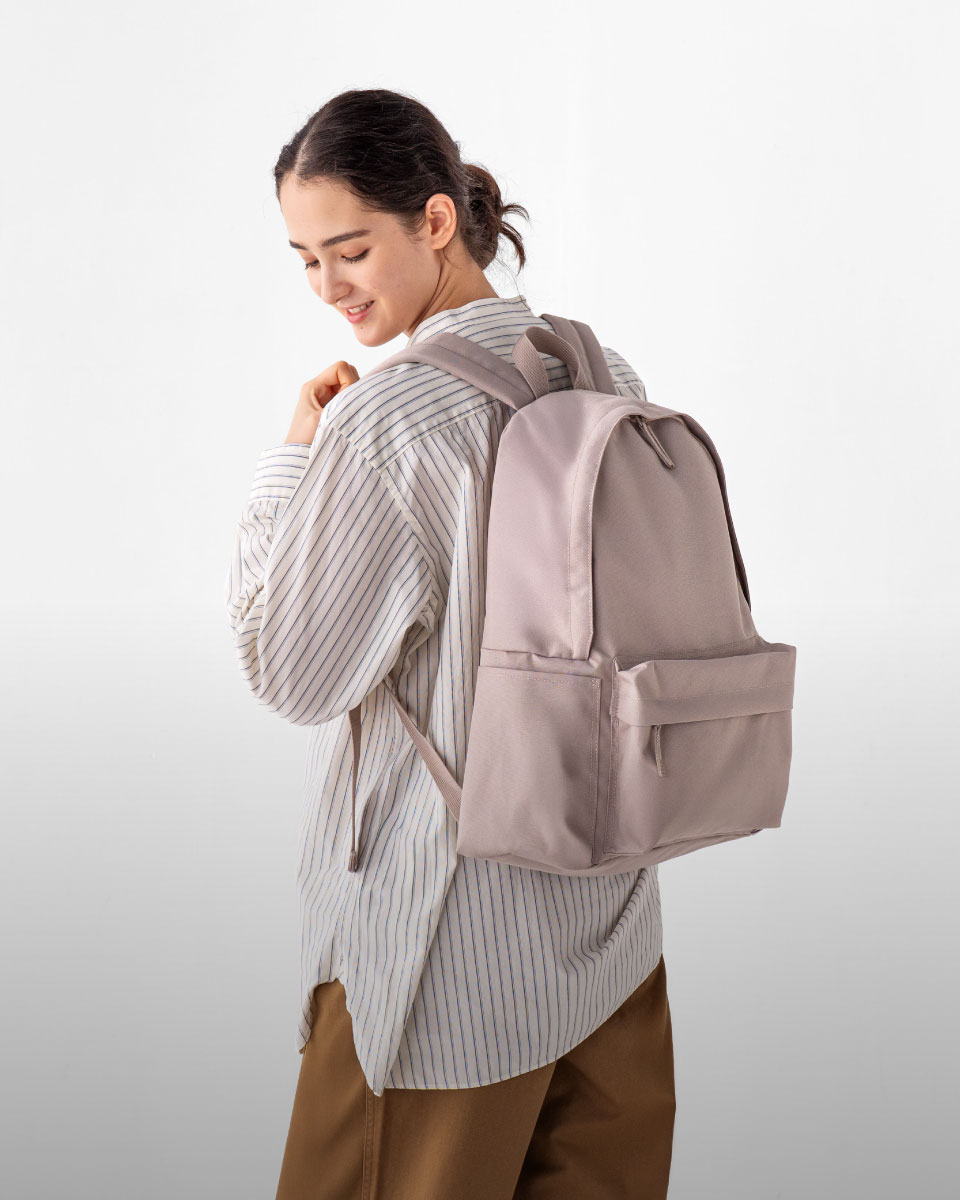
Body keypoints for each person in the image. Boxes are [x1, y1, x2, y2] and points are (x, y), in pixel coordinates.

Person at [224, 87, 676, 1199]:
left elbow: (289, 672)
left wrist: (294, 461)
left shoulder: (389, 421)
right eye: (305, 260)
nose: (330, 287)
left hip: (441, 964)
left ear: (435, 221)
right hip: (611, 934)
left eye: (351, 250)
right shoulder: (602, 372)